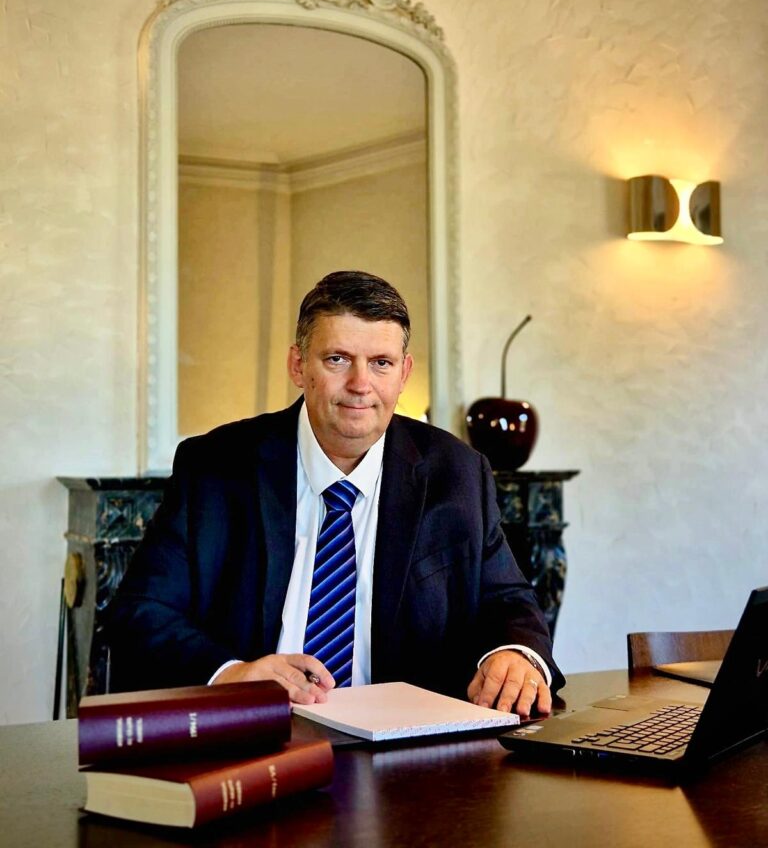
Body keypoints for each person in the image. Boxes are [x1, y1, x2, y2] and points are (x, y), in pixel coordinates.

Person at [109, 271, 563, 716]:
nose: (360, 385)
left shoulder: (457, 473)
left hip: (404, 742)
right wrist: (234, 674)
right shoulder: (215, 466)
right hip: (259, 730)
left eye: (381, 363)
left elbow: (508, 600)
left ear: (404, 373)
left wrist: (515, 653)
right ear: (298, 366)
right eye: (338, 359)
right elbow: (140, 612)